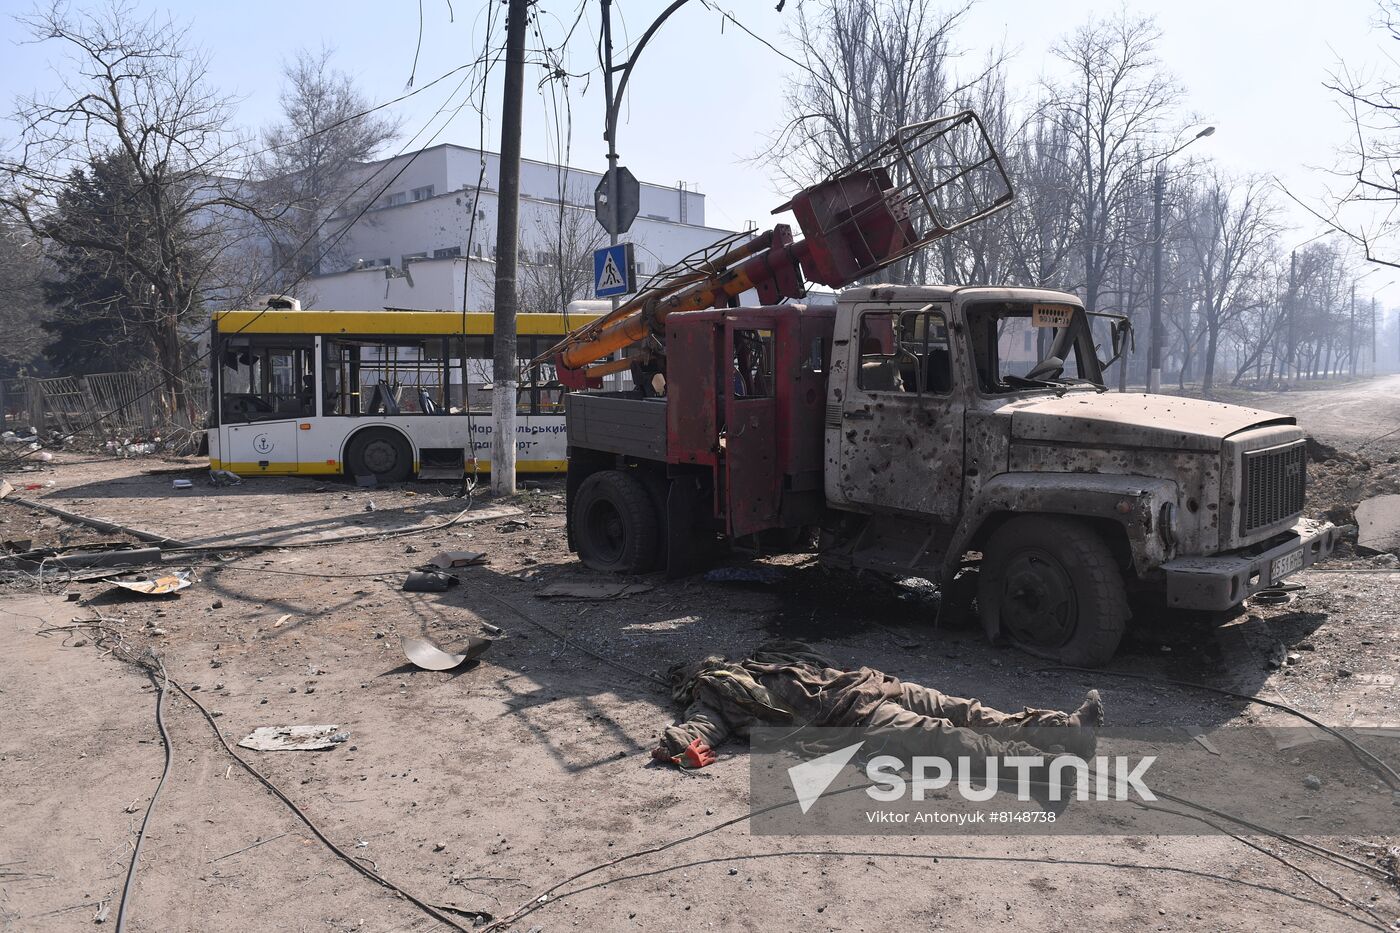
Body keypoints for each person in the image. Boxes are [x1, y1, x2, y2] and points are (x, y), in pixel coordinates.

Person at [652, 641, 1102, 771]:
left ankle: (1063, 728)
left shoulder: (761, 661)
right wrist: (676, 745)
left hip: (870, 688)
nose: (711, 663)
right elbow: (698, 731)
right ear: (690, 680)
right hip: (854, 719)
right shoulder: (713, 697)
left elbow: (819, 664)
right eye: (700, 667)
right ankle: (1045, 767)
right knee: (946, 737)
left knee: (962, 709)